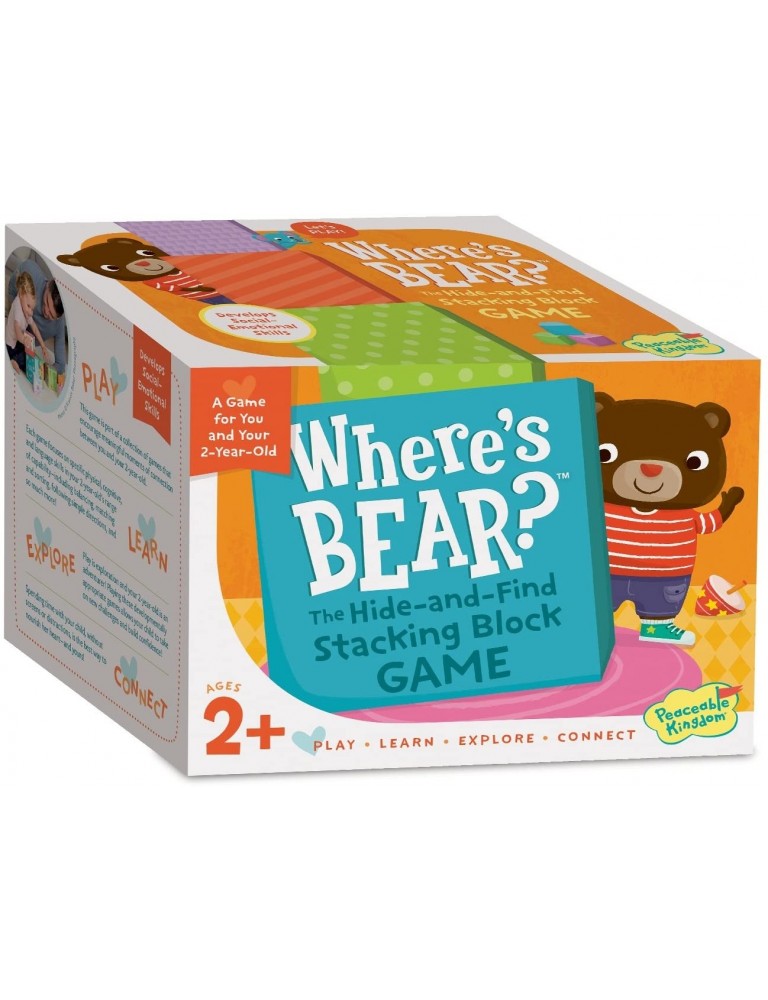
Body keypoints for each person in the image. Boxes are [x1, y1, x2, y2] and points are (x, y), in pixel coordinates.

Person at [8, 258, 66, 374]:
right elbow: (11, 290)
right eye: (46, 302)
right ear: (48, 284)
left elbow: (61, 364)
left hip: (28, 344)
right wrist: (18, 308)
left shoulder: (59, 324)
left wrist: (46, 370)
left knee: (29, 363)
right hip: (16, 329)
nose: (46, 312)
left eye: (51, 315)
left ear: (58, 317)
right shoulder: (30, 272)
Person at [6, 272, 51, 373]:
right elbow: (17, 329)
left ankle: (15, 359)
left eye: (32, 308)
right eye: (28, 306)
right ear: (21, 294)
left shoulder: (26, 310)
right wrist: (23, 339)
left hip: (18, 343)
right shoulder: (18, 307)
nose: (30, 312)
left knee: (30, 355)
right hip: (10, 344)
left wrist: (43, 346)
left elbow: (34, 327)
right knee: (23, 360)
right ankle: (11, 360)